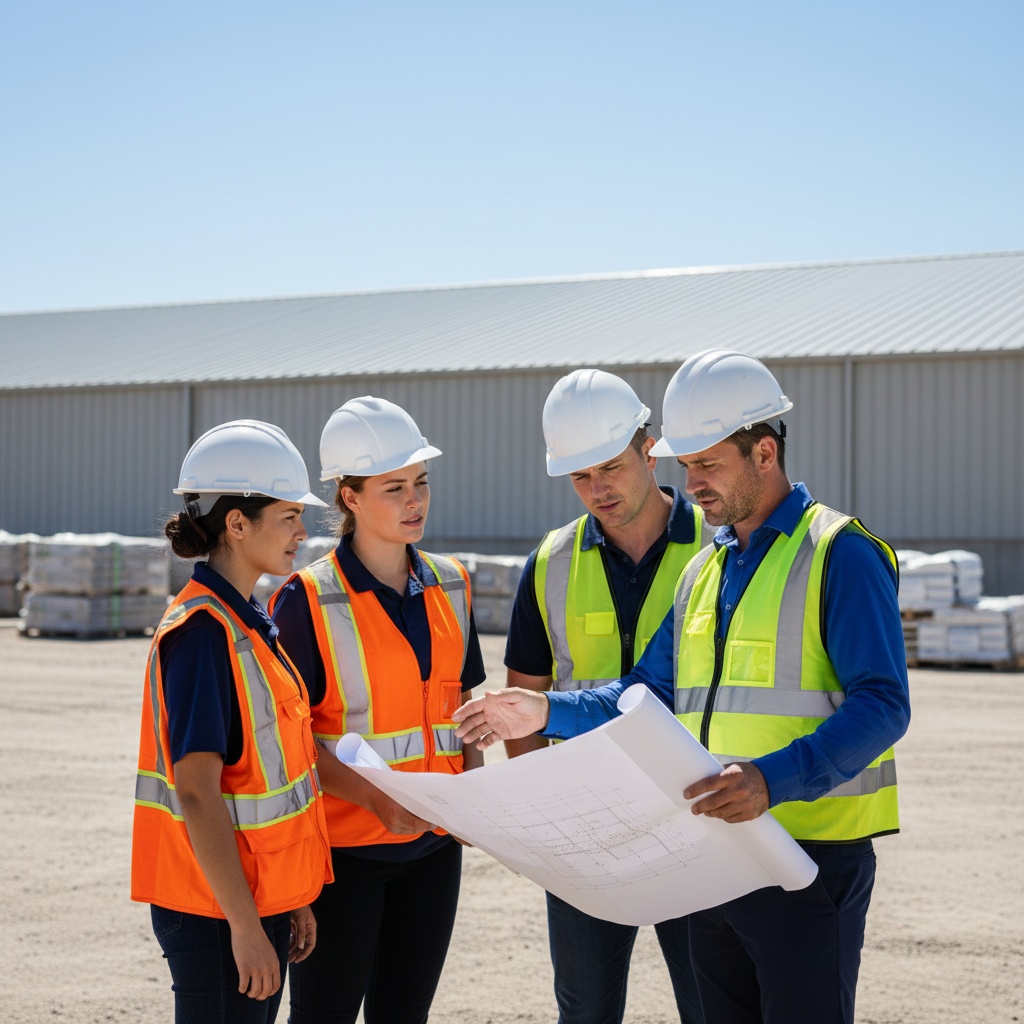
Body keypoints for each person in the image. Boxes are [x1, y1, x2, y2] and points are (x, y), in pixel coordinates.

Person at [454, 349, 911, 1024]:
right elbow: (642, 694)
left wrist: (771, 779)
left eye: (707, 463)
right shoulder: (707, 569)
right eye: (686, 464)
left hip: (807, 859)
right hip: (717, 855)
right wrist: (542, 708)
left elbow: (883, 703)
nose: (692, 482)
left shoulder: (839, 552)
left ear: (763, 453)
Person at [270, 396, 486, 1024]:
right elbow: (291, 742)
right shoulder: (305, 600)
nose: (415, 500)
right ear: (350, 497)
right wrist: (372, 800)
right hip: (345, 856)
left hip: (434, 849)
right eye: (394, 487)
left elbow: (462, 705)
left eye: (420, 483)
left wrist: (474, 789)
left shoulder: (453, 582)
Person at [504, 368, 705, 1024]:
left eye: (611, 468)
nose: (597, 491)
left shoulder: (720, 548)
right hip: (587, 830)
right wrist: (545, 814)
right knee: (585, 1012)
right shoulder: (551, 561)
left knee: (713, 1005)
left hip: (699, 820)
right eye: (580, 477)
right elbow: (523, 700)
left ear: (649, 450)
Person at [131, 419, 334, 1024]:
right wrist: (246, 927)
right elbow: (196, 792)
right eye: (289, 516)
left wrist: (289, 899)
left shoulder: (246, 619)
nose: (303, 532)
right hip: (215, 913)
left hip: (249, 900)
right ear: (237, 524)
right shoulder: (200, 634)